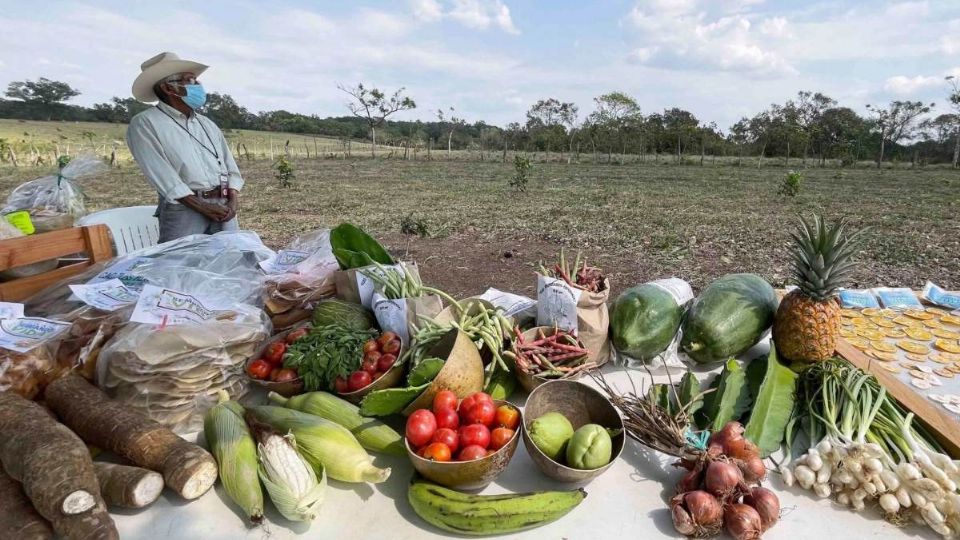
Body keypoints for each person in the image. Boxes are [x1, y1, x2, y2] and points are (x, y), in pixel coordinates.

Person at [126, 52, 243, 243]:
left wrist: (232, 200)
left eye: (196, 81)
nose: (198, 86)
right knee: (180, 265)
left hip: (224, 206)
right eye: (190, 81)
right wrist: (202, 206)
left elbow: (230, 166)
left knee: (228, 261)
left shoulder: (207, 124)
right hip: (184, 208)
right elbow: (162, 174)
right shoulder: (146, 124)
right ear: (168, 87)